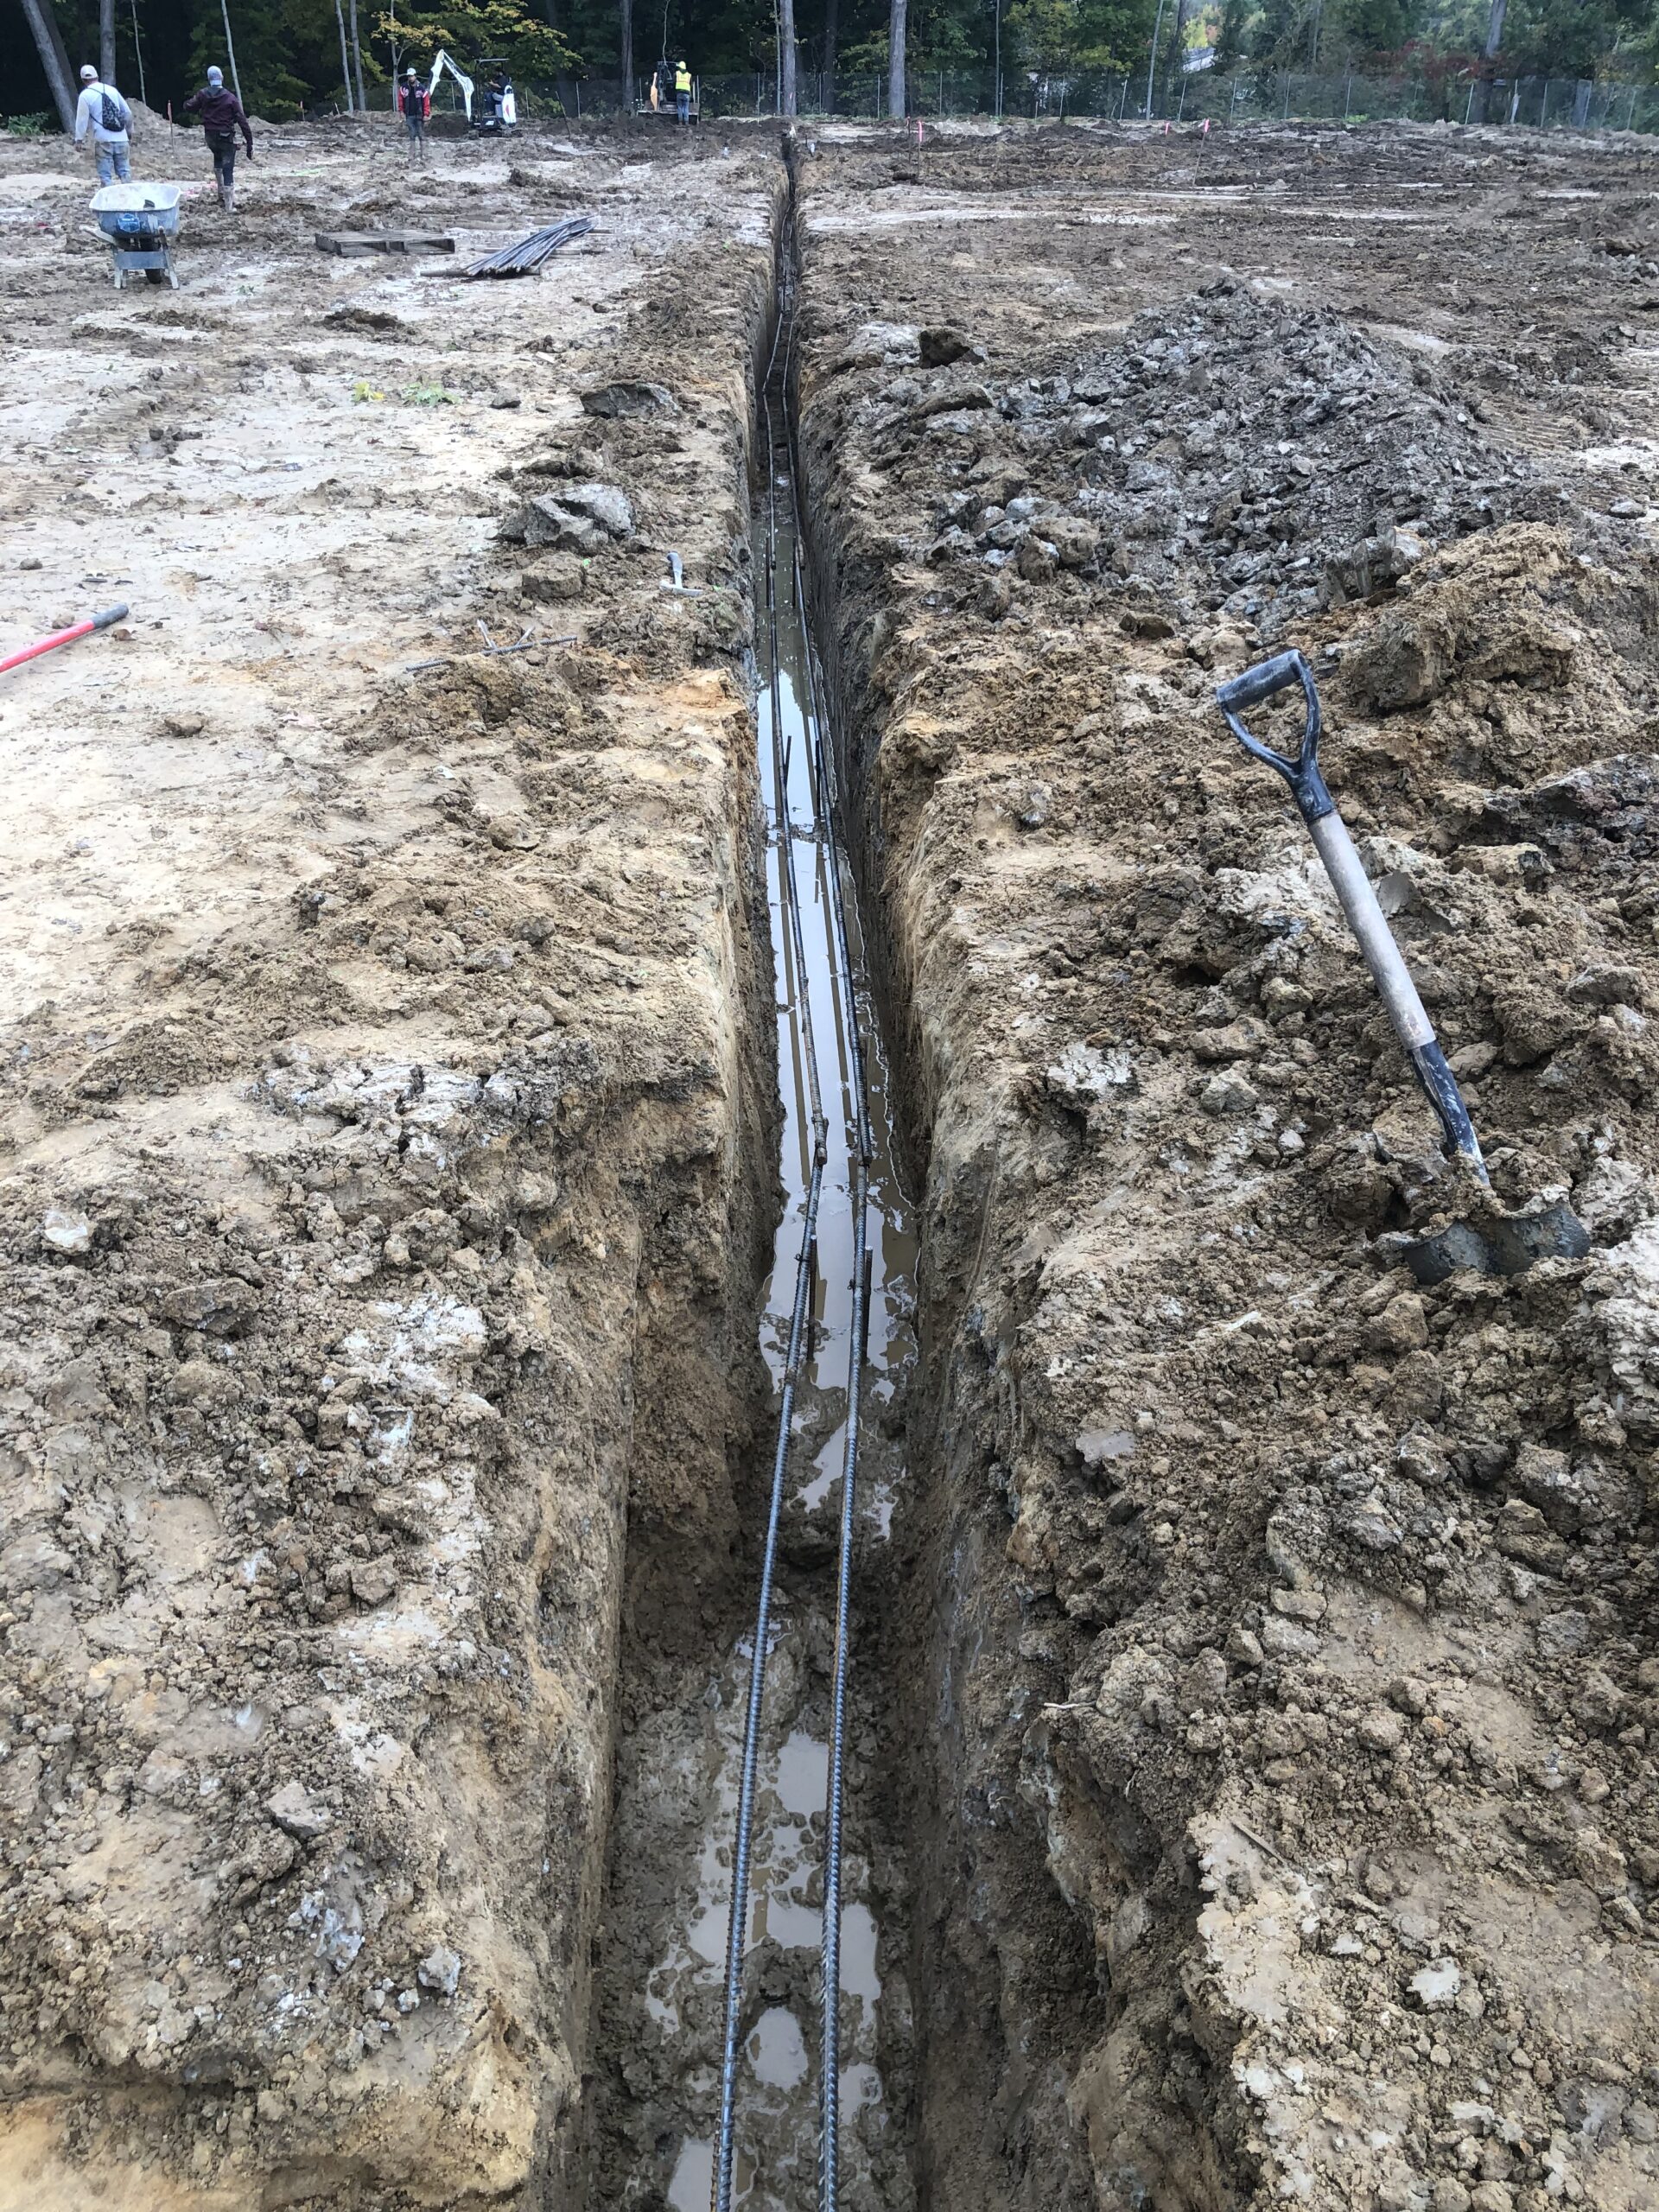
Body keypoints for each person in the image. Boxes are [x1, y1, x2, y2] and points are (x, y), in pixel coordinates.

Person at [182, 66, 253, 213]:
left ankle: (221, 195)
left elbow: (189, 106)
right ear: (222, 78)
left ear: (209, 79)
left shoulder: (203, 94)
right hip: (225, 137)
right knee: (228, 168)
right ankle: (229, 206)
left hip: (210, 137)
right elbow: (242, 121)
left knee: (218, 159)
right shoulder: (230, 98)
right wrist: (249, 144)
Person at [74, 63, 133, 186]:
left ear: (83, 80)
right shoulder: (112, 90)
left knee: (106, 176)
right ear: (97, 76)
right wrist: (129, 132)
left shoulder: (85, 95)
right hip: (121, 137)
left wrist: (79, 140)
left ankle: (108, 200)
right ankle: (129, 198)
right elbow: (127, 113)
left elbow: (82, 120)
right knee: (124, 172)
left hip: (103, 139)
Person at [399, 67, 430, 164]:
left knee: (421, 134)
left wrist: (426, 113)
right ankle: (411, 155)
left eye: (412, 76)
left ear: (415, 76)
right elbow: (401, 100)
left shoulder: (422, 88)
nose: (410, 78)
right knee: (412, 134)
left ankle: (423, 154)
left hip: (419, 115)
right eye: (409, 76)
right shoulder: (403, 88)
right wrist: (401, 111)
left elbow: (426, 102)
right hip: (409, 115)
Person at [674, 58, 692, 124]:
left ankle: (680, 122)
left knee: (680, 107)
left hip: (679, 93)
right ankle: (686, 122)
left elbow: (674, 82)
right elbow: (690, 84)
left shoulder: (677, 74)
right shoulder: (689, 75)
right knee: (686, 107)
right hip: (687, 93)